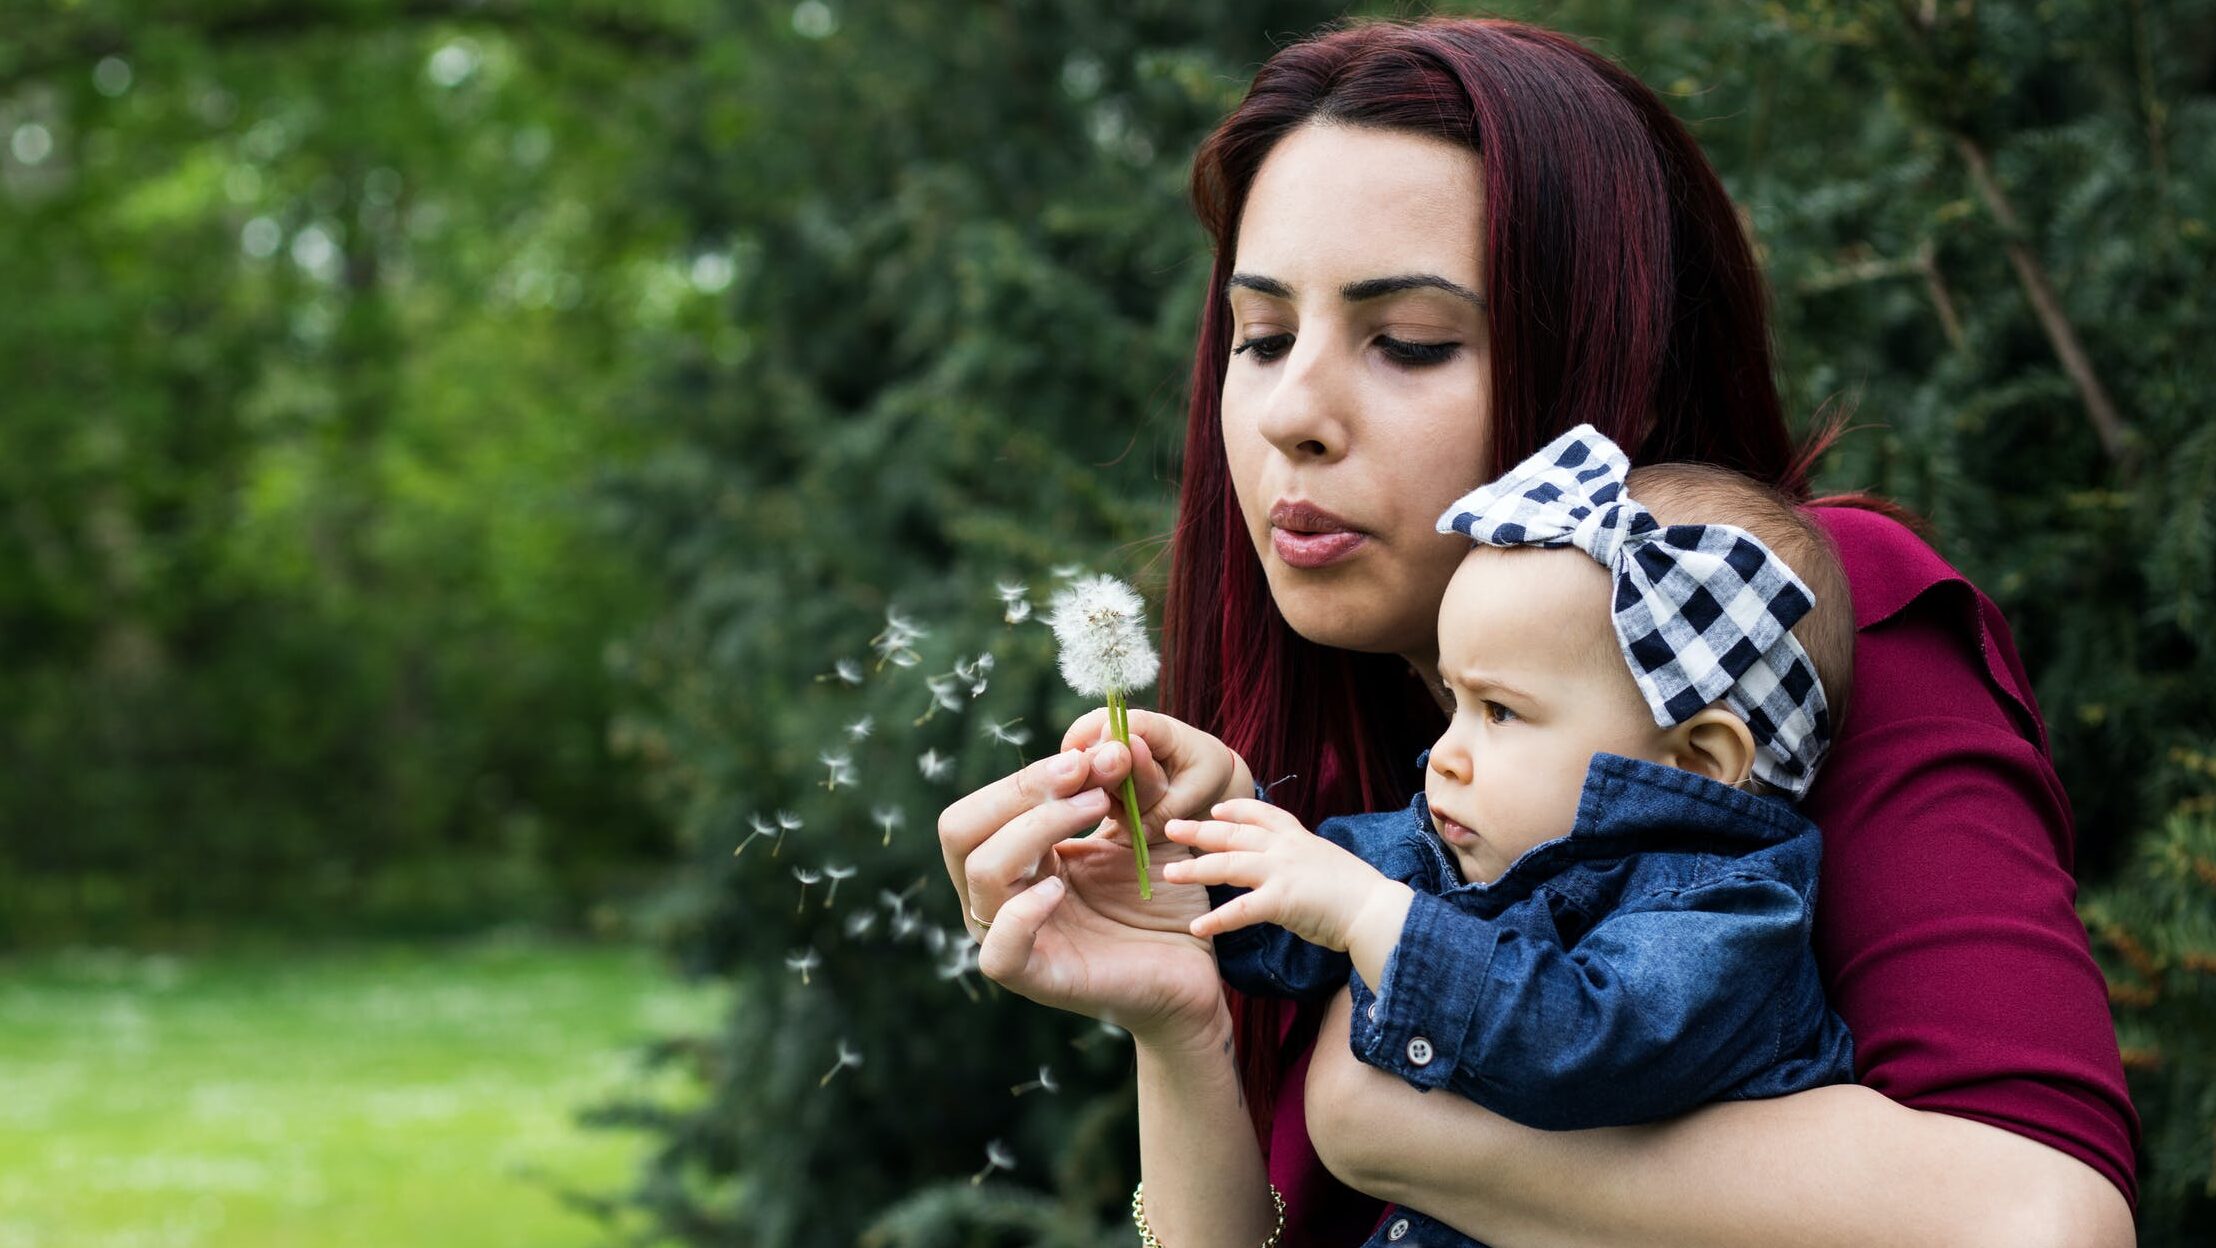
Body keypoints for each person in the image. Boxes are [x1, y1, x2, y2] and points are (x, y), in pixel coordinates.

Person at [938, 16, 2138, 1248]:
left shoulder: (1777, 624)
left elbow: (2042, 1223)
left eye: (1407, 342)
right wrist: (1177, 1018)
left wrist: (1379, 1115)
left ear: (1598, 350)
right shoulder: (1378, 773)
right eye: (1259, 337)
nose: (1290, 411)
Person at [1147, 431, 1859, 1246]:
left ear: (1700, 761)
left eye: (1499, 712)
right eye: (1453, 701)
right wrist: (1195, 844)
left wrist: (1374, 919)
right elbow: (1302, 906)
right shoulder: (1462, 848)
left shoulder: (1733, 915)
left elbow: (1581, 1039)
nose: (1445, 754)